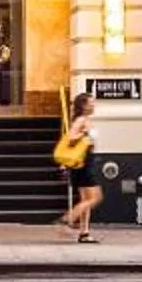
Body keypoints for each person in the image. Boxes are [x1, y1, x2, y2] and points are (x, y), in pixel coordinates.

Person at [53, 91, 103, 243]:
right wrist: (84, 134)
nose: (94, 105)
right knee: (95, 198)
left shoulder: (85, 119)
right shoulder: (81, 120)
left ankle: (84, 232)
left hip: (85, 162)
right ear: (84, 105)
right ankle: (66, 220)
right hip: (83, 165)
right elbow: (71, 137)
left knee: (85, 199)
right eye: (91, 102)